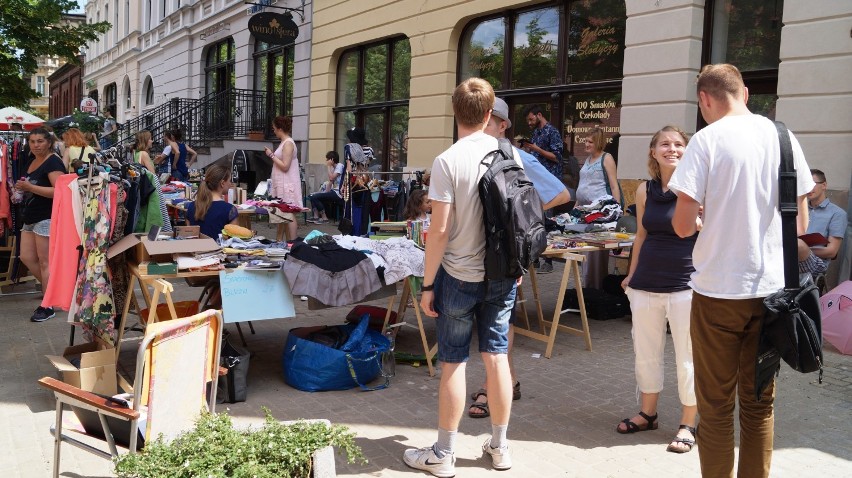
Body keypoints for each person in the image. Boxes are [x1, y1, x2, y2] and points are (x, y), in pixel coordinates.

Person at [670, 63, 814, 478]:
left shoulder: (706, 140)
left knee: (715, 408)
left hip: (718, 292)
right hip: (773, 294)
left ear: (705, 100)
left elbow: (681, 226)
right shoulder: (784, 137)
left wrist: (705, 221)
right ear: (746, 94)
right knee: (759, 403)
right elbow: (800, 225)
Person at [402, 78, 518, 476]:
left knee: (453, 361)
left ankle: (444, 454)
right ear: (490, 115)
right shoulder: (509, 155)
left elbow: (439, 230)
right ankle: (500, 448)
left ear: (455, 112)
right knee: (497, 355)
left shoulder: (447, 160)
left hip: (457, 274)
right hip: (501, 274)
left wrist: (428, 284)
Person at [467, 97, 570, 420]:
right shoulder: (469, 155)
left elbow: (561, 194)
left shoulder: (518, 156)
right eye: (480, 120)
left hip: (502, 252)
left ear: (503, 125)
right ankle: (507, 380)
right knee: (497, 318)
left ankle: (489, 385)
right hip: (472, 251)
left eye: (491, 120)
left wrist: (522, 217)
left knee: (495, 320)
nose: (485, 126)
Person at [617, 125, 698, 453]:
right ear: (653, 152)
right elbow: (641, 236)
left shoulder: (697, 188)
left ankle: (688, 422)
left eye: (679, 144)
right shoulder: (644, 191)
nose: (672, 149)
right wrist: (630, 275)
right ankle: (648, 413)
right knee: (646, 353)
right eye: (664, 144)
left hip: (686, 285)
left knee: (688, 357)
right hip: (646, 284)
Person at [15, 128, 66, 322]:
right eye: (33, 141)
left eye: (40, 141)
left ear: (49, 142)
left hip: (47, 216)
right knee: (26, 256)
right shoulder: (31, 159)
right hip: (30, 216)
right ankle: (55, 289)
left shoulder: (53, 161)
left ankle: (47, 305)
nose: (36, 145)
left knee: (46, 261)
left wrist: (30, 187)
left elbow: (59, 191)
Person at [575, 126, 621, 289]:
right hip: (585, 211)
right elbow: (583, 185)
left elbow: (614, 185)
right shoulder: (588, 160)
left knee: (596, 254)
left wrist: (615, 211)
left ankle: (597, 289)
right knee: (586, 252)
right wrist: (576, 207)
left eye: (590, 141)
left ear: (598, 142)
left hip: (600, 213)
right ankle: (588, 288)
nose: (586, 144)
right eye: (585, 141)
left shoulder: (606, 158)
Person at [523, 105, 565, 273]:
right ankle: (535, 258)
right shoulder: (536, 133)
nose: (529, 123)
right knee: (535, 221)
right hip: (535, 184)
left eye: (531, 119)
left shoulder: (552, 132)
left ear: (539, 115)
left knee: (547, 222)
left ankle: (549, 261)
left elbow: (557, 157)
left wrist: (536, 149)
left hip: (549, 185)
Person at [797, 169, 848, 278]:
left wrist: (802, 249)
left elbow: (832, 251)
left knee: (798, 245)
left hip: (817, 264)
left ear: (824, 185)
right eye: (805, 185)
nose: (808, 188)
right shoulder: (800, 210)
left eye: (812, 184)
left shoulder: (837, 213)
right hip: (792, 259)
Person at [265, 115, 303, 242]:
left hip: (287, 184)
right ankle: (281, 241)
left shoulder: (288, 144)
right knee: (283, 213)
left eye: (274, 129)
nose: (274, 131)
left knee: (288, 213)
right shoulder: (284, 143)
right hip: (282, 183)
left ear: (280, 129)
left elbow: (285, 166)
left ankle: (293, 241)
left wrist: (271, 155)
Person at [185, 162, 239, 239]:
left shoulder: (192, 206)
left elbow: (189, 236)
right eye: (230, 181)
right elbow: (234, 241)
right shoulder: (230, 210)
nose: (230, 184)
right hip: (218, 250)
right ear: (222, 183)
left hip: (196, 249)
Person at [307, 151, 345, 224]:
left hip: (339, 193)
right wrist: (325, 193)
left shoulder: (339, 166)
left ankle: (324, 218)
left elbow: (331, 178)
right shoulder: (334, 168)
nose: (326, 161)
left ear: (332, 159)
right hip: (334, 191)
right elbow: (330, 182)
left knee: (315, 197)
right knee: (312, 195)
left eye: (327, 159)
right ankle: (316, 217)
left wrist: (328, 166)